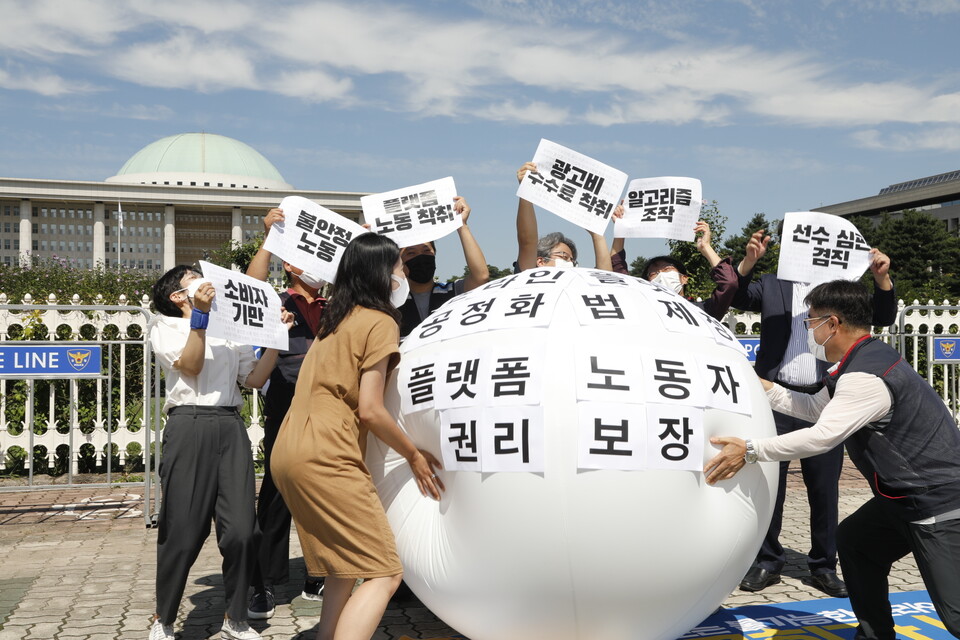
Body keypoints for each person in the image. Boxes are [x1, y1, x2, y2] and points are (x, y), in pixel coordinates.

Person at [705, 279, 960, 640]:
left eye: (810, 322)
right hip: (901, 497)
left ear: (832, 323)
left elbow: (823, 436)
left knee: (955, 613)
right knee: (856, 541)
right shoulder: (861, 359)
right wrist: (762, 385)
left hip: (939, 500)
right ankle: (875, 634)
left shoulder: (865, 376)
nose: (807, 330)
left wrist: (749, 450)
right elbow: (814, 408)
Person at [271, 232, 445, 640]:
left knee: (342, 566)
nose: (403, 272)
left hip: (290, 449)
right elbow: (370, 408)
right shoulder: (381, 320)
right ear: (382, 273)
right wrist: (414, 455)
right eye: (399, 265)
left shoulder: (334, 319)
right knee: (384, 572)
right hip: (328, 454)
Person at [730, 228, 895, 597]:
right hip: (774, 396)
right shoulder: (774, 285)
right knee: (770, 485)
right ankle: (767, 560)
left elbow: (881, 316)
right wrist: (749, 261)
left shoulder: (842, 286)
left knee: (824, 488)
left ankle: (823, 565)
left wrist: (881, 278)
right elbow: (737, 295)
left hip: (824, 398)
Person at [147, 265, 291, 640]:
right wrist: (200, 318)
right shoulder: (165, 327)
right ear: (178, 297)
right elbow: (191, 366)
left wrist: (276, 337)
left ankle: (236, 618)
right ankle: (164, 619)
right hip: (188, 424)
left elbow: (255, 379)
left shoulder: (231, 333)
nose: (204, 279)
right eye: (193, 277)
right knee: (183, 529)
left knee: (243, 530)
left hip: (230, 425)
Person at [244, 207, 327, 619]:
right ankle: (268, 580)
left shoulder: (339, 302)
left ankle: (320, 574)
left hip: (330, 408)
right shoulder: (275, 301)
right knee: (276, 492)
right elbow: (249, 284)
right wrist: (270, 237)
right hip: (286, 402)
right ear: (291, 264)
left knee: (324, 489)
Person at [611, 220, 738, 320]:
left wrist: (706, 248)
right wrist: (620, 231)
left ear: (684, 278)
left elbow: (728, 283)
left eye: (667, 269)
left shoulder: (703, 311)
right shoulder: (642, 309)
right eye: (654, 273)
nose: (661, 275)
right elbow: (618, 275)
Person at [399, 196, 489, 337]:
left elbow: (481, 276)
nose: (420, 257)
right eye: (411, 253)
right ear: (399, 261)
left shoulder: (453, 292)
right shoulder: (391, 302)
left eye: (426, 250)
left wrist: (462, 226)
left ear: (435, 253)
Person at [515, 162, 613, 271]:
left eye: (572, 260)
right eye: (564, 257)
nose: (570, 262)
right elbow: (527, 243)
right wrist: (526, 191)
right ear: (541, 261)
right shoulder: (528, 278)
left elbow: (607, 277)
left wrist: (597, 236)